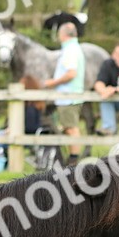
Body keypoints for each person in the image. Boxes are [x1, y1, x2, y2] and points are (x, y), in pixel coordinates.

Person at [43, 22, 85, 167]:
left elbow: (71, 73)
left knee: (71, 128)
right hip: (70, 95)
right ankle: (72, 159)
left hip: (69, 96)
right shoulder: (73, 48)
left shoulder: (70, 50)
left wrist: (53, 83)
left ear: (62, 34)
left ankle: (73, 161)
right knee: (69, 127)